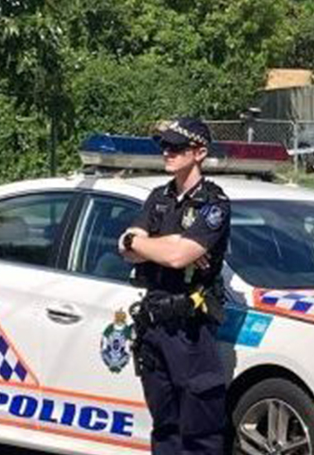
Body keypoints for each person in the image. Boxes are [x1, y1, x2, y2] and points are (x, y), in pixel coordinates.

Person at [119, 118, 231, 455]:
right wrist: (158, 246)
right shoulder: (158, 197)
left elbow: (179, 256)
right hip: (153, 326)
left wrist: (150, 244)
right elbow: (125, 247)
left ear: (199, 152)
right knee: (164, 429)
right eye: (163, 145)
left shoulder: (214, 204)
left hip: (190, 330)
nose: (166, 152)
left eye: (176, 147)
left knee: (200, 433)